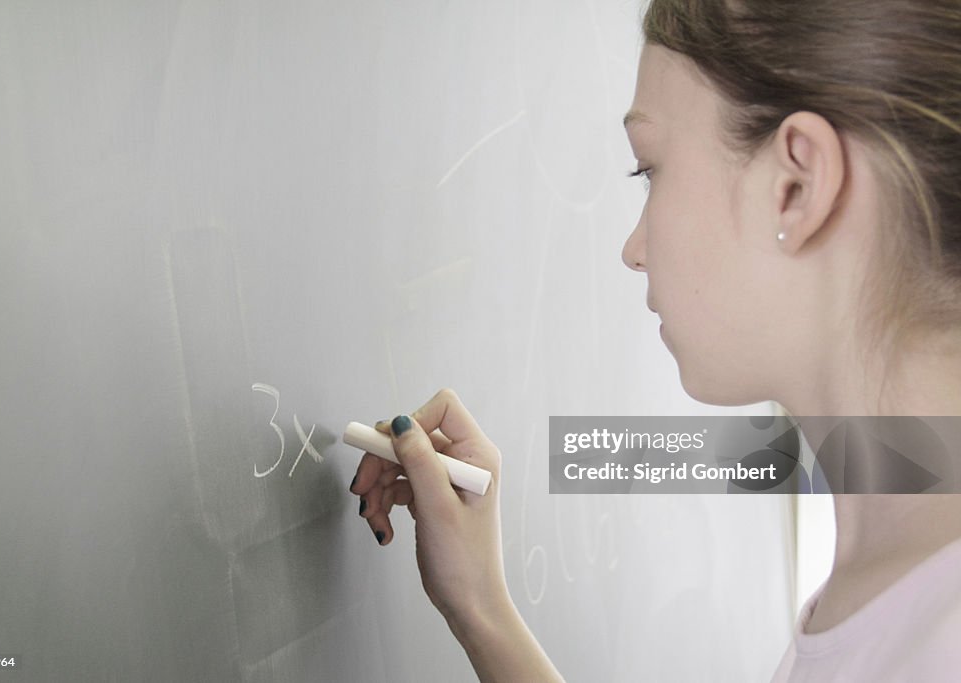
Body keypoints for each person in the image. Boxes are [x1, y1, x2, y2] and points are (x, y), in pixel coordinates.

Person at [350, 0, 961, 680]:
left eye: (650, 169)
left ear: (797, 185)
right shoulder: (890, 587)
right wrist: (480, 605)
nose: (634, 249)